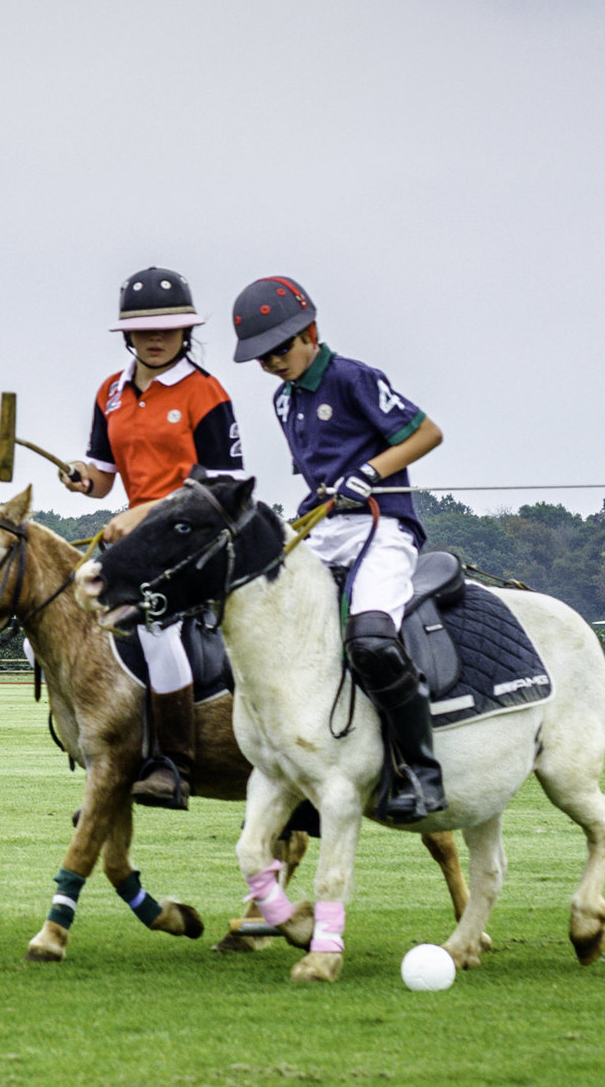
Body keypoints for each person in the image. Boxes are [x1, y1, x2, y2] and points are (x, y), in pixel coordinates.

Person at [230, 275, 447, 824]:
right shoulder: (284, 402)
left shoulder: (353, 378)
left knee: (372, 639)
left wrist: (370, 473)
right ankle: (301, 770)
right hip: (326, 530)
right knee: (276, 630)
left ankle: (420, 771)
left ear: (311, 332)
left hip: (383, 525)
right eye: (261, 357)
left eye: (280, 348)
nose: (273, 363)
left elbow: (426, 434)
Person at [56, 267, 246, 810]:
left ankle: (172, 764)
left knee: (158, 629)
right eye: (144, 330)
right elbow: (101, 479)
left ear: (187, 332)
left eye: (168, 328)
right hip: (138, 548)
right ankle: (106, 744)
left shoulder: (205, 391)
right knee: (57, 618)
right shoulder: (111, 394)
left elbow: (224, 485)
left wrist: (143, 514)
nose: (156, 338)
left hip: (196, 537)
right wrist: (80, 478)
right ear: (127, 336)